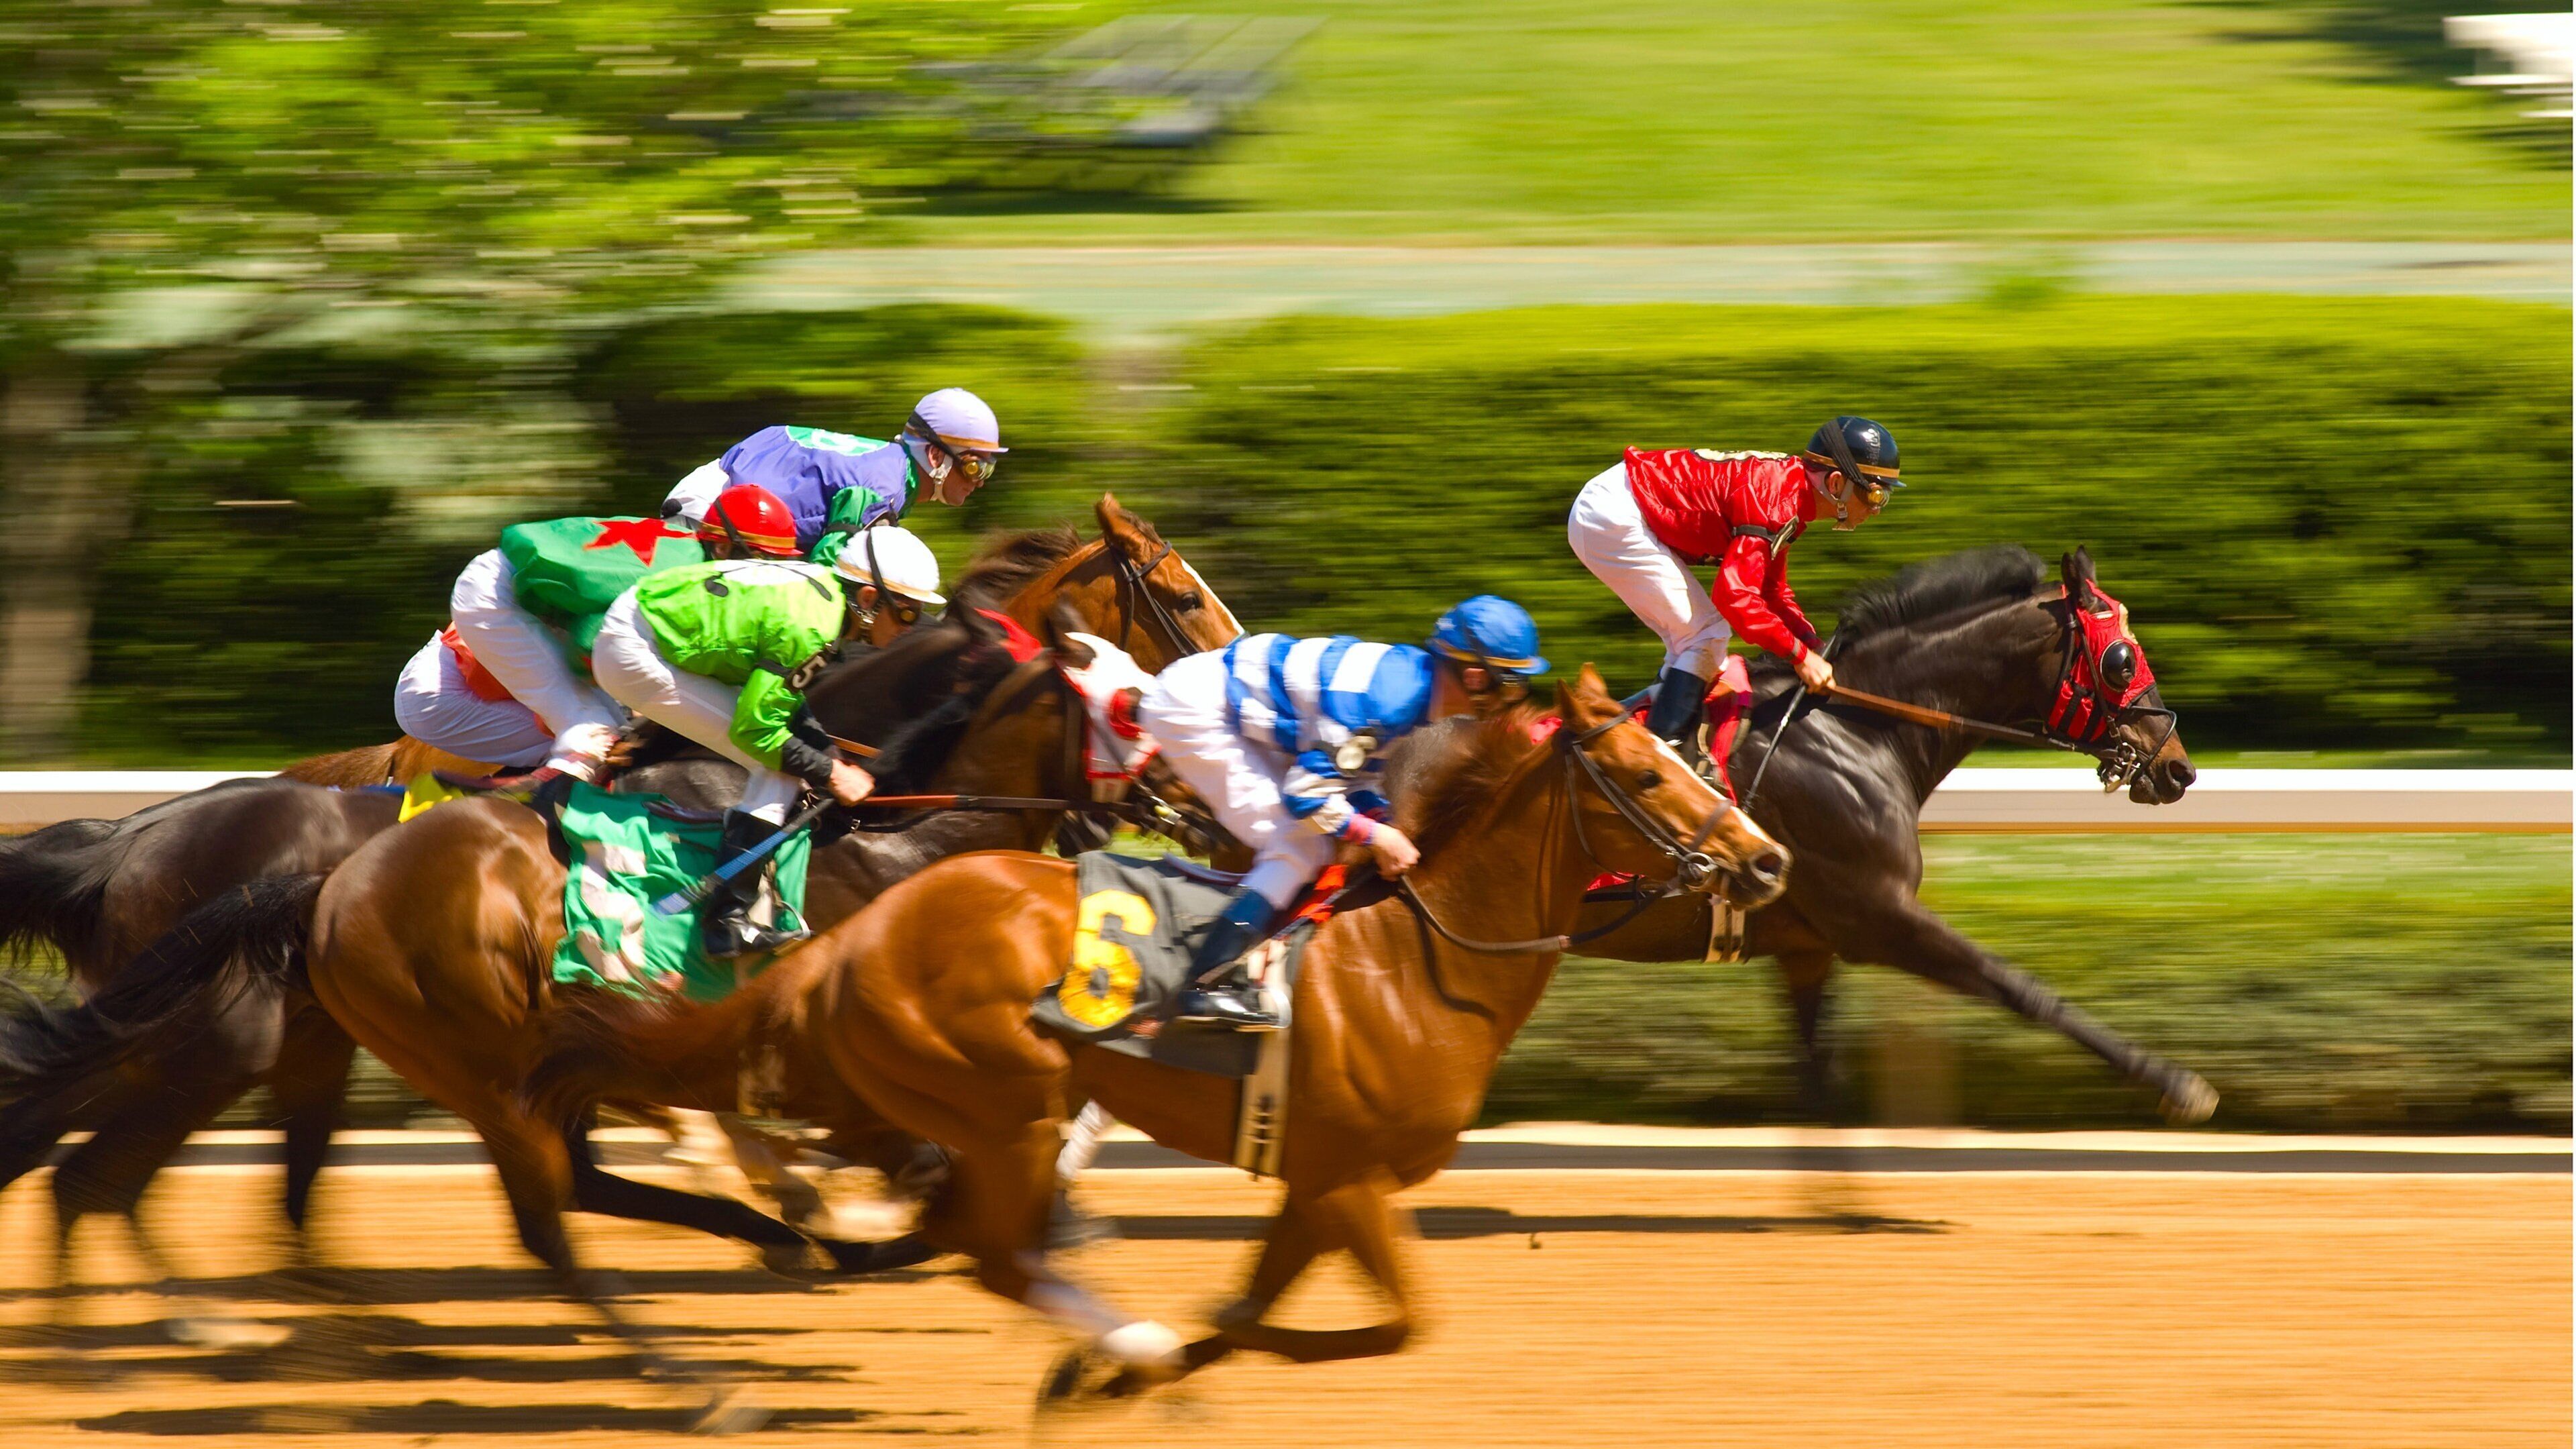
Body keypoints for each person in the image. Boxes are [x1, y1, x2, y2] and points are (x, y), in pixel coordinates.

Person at [1136, 595, 1548, 1030]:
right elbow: (1308, 796)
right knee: (1299, 845)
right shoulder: (1390, 704)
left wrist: (1384, 822)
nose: (1511, 700)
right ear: (1475, 677)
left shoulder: (1414, 691)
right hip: (1197, 710)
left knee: (1316, 839)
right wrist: (1378, 837)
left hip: (1226, 703)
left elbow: (1355, 780)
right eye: (1511, 685)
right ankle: (1204, 986)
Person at [590, 523, 946, 957]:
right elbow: (755, 729)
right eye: (907, 612)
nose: (912, 627)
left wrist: (825, 750)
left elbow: (782, 701)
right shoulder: (814, 627)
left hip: (646, 630)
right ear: (869, 600)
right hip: (637, 649)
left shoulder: (826, 602)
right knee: (777, 771)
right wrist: (831, 771)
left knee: (792, 759)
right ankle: (727, 921)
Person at [1565, 416, 1901, 794]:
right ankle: (1658, 773)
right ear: (1837, 483)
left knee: (1696, 648)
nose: (1878, 507)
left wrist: (1816, 647)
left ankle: (1641, 735)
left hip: (1617, 504)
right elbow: (1735, 598)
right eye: (1874, 493)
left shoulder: (1789, 496)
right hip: (1612, 515)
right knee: (1706, 636)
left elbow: (1773, 593)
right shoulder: (1777, 500)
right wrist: (1800, 657)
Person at [413, 485, 803, 782]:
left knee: (612, 717)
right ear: (723, 550)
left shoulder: (693, 556)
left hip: (506, 585)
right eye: (763, 561)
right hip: (498, 597)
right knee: (595, 729)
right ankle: (519, 815)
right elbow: (588, 639)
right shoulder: (684, 582)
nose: (770, 576)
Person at [659, 388, 1006, 566]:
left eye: (989, 468)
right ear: (934, 456)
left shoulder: (889, 470)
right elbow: (825, 568)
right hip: (710, 517)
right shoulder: (884, 489)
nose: (981, 481)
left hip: (718, 494)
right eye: (975, 466)